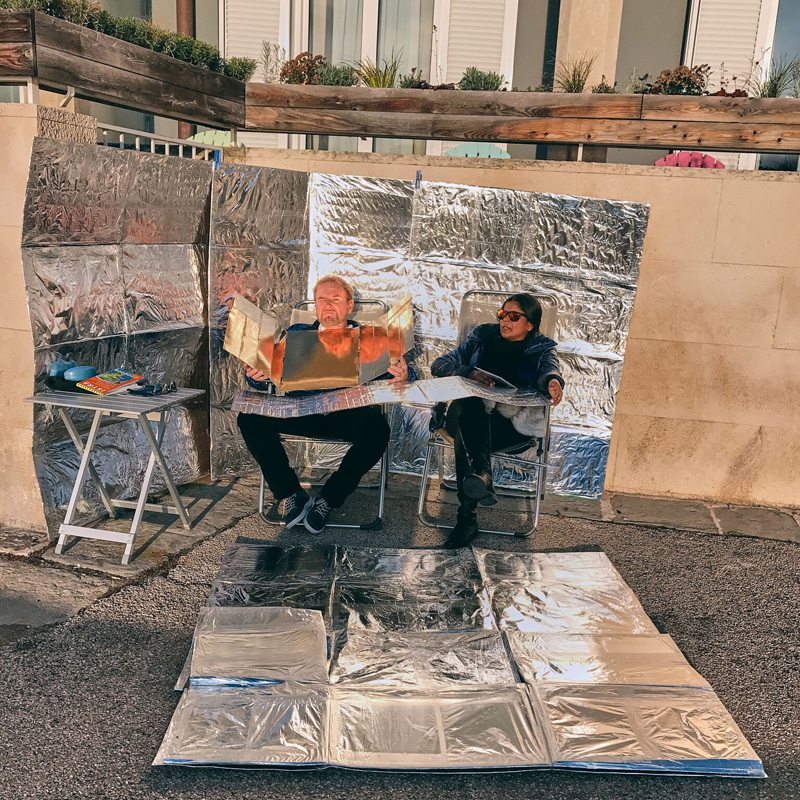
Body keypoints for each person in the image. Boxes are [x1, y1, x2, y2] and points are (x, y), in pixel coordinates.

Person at [237, 275, 413, 534]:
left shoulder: (369, 338)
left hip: (347, 414)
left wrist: (404, 375)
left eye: (335, 299)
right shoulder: (296, 334)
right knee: (249, 418)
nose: (328, 305)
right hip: (302, 409)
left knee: (377, 429)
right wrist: (257, 376)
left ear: (349, 305)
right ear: (316, 305)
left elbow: (403, 376)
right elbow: (268, 376)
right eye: (322, 299)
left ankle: (328, 499)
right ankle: (291, 493)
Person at [430, 293, 564, 548]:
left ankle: (468, 516)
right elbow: (440, 365)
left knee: (467, 437)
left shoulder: (541, 348)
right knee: (469, 403)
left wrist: (552, 382)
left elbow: (549, 370)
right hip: (467, 414)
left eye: (514, 316)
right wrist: (469, 372)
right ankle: (482, 475)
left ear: (530, 324)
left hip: (509, 425)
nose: (505, 321)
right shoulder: (482, 339)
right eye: (502, 314)